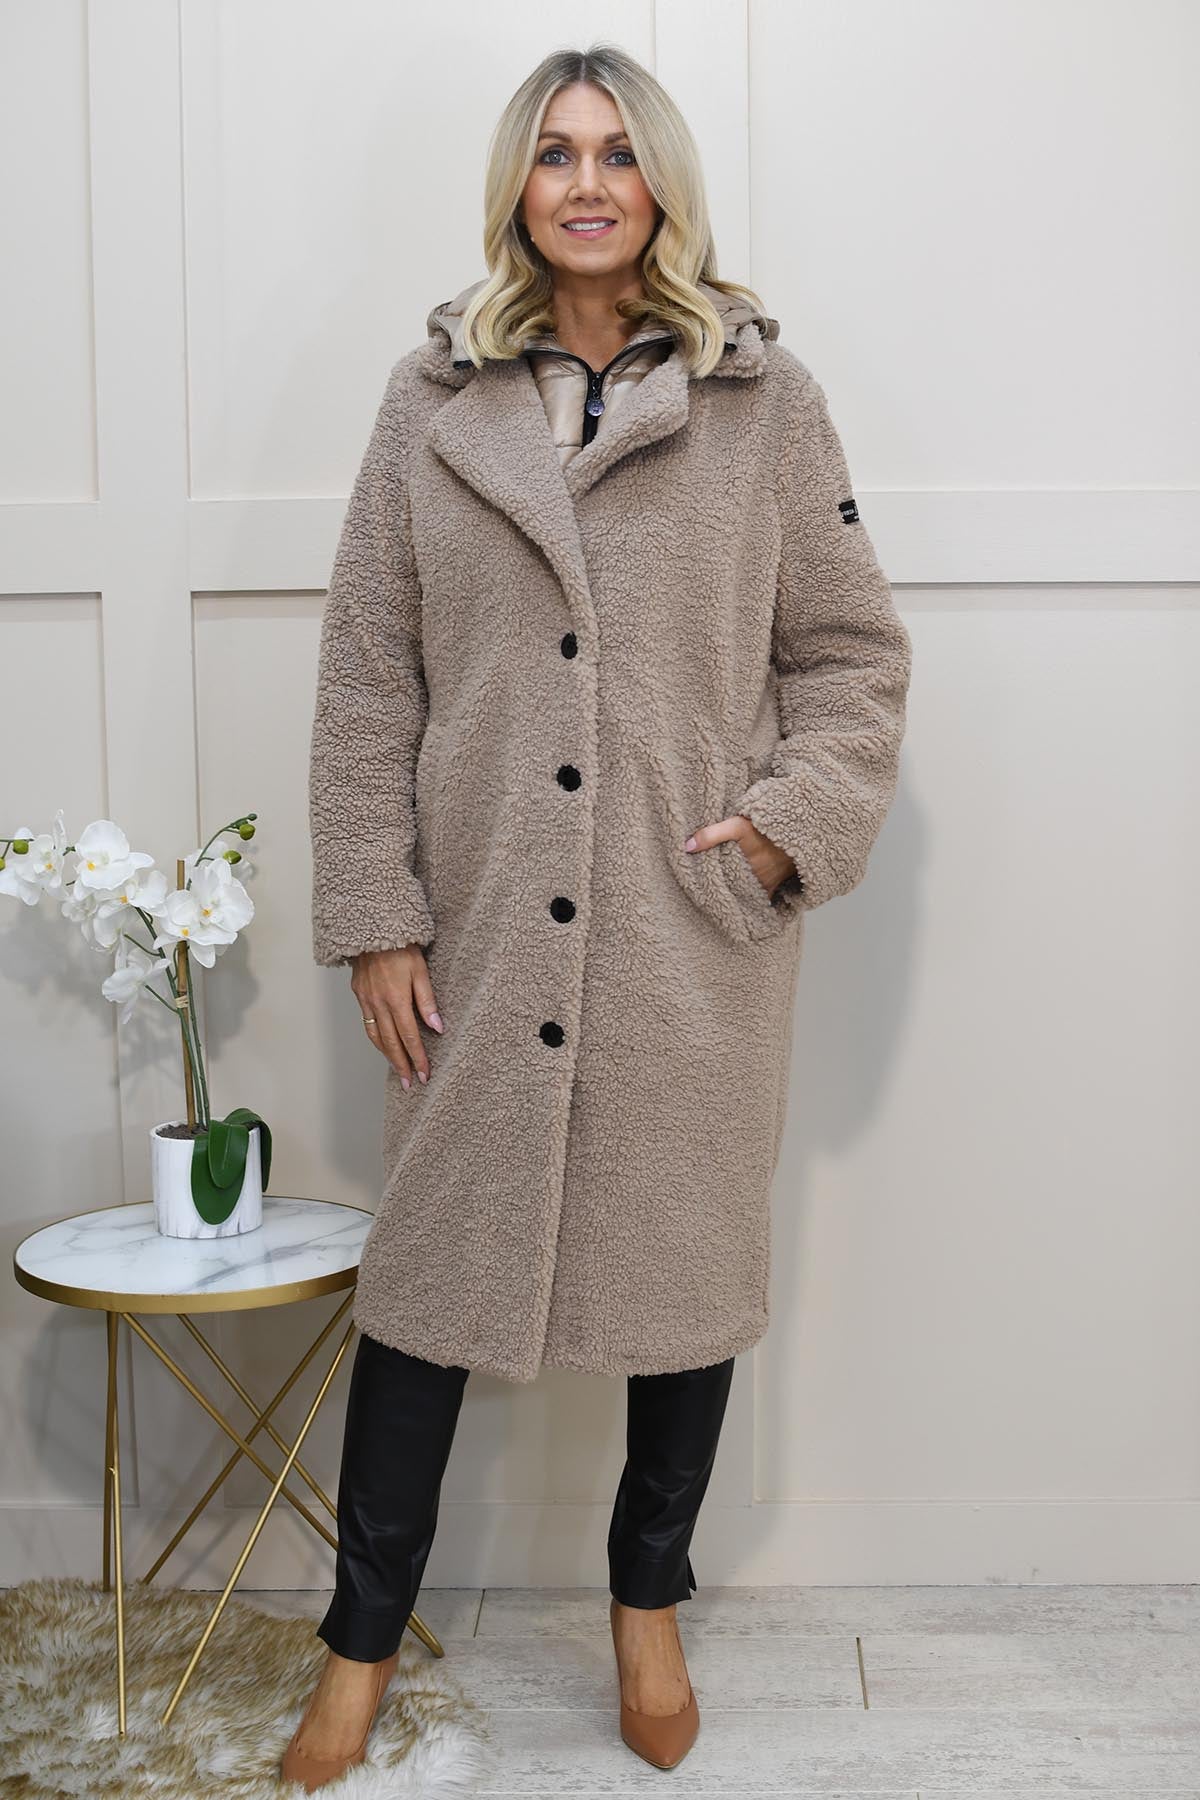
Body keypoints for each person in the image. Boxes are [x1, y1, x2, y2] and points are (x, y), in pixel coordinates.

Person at [285, 41, 911, 1790]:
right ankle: (357, 1643)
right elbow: (368, 678)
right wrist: (379, 911)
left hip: (680, 922)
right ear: (516, 185)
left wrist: (779, 837)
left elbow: (851, 656)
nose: (585, 182)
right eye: (555, 153)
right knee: (425, 1286)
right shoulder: (430, 402)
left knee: (681, 1280)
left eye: (617, 154)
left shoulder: (761, 402)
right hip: (482, 924)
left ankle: (649, 1608)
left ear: (661, 187)